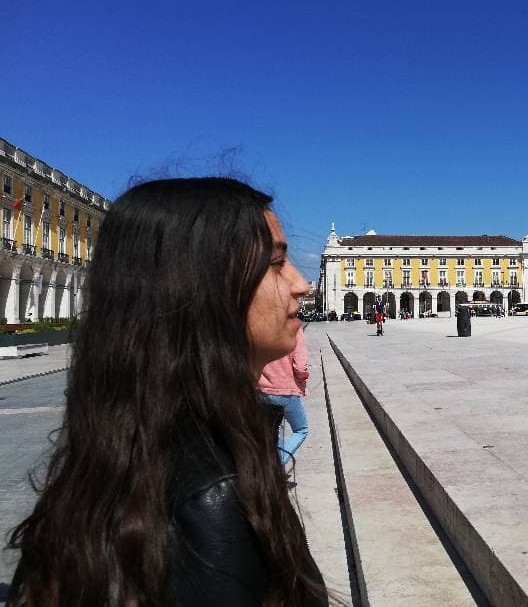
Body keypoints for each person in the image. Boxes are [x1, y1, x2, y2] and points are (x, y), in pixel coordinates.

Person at [6, 178, 329, 606]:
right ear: (201, 286)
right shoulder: (213, 495)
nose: (301, 283)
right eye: (275, 264)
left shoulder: (124, 445)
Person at [259, 328, 311, 468]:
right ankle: (276, 465)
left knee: (276, 428)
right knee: (301, 430)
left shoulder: (257, 325)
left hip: (261, 390)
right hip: (286, 390)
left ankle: (274, 469)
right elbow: (300, 367)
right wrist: (303, 378)